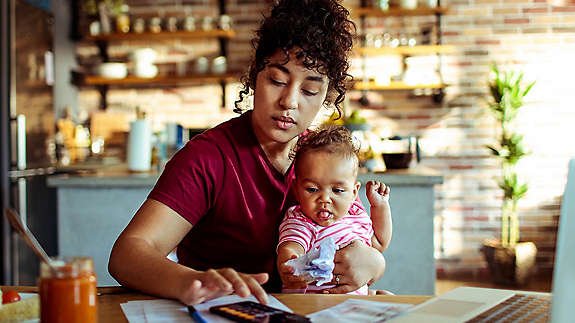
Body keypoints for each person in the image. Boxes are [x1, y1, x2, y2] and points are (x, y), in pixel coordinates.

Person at [108, 0, 386, 306]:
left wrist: (373, 263)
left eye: (309, 90)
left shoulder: (324, 160)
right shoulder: (209, 158)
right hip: (221, 310)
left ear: (326, 96)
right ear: (255, 76)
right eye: (277, 80)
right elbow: (127, 254)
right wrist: (190, 281)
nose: (289, 101)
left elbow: (356, 233)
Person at [277, 126, 392, 295]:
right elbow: (292, 245)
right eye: (312, 189)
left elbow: (379, 244)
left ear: (354, 192)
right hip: (316, 302)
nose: (325, 199)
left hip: (355, 299)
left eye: (337, 191)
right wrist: (290, 262)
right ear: (296, 190)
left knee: (386, 297)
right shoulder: (301, 220)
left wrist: (380, 207)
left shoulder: (355, 215)